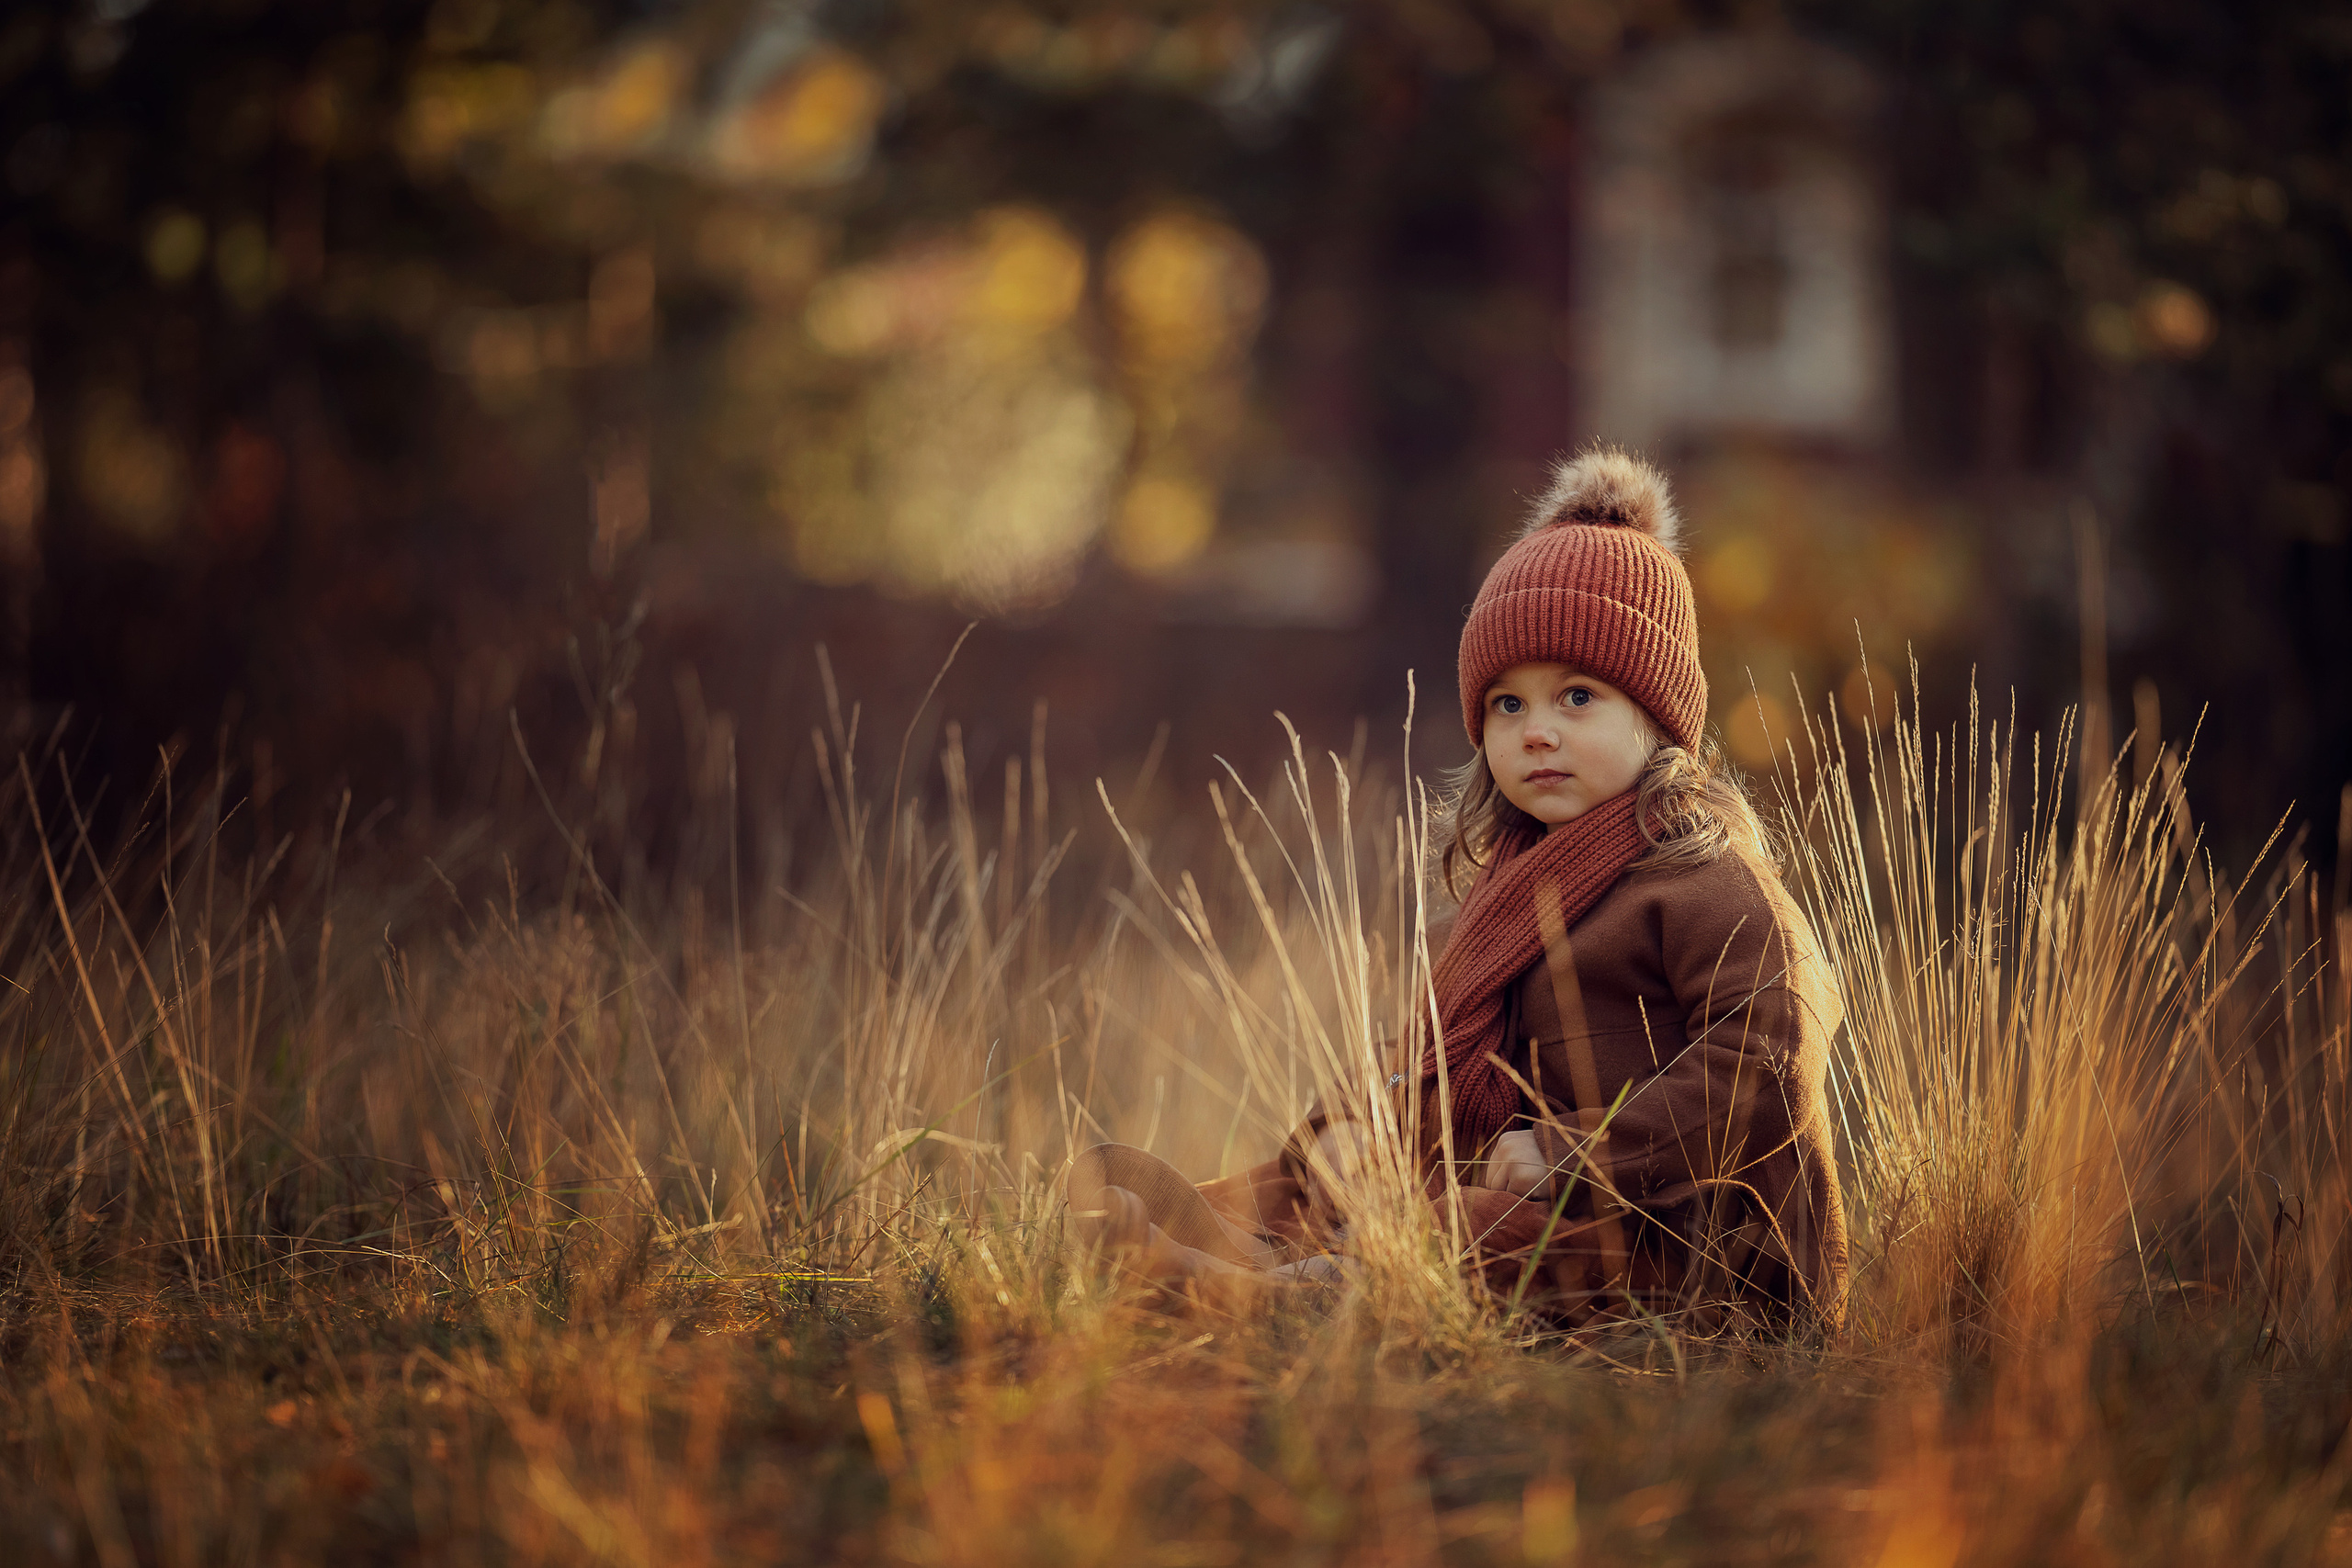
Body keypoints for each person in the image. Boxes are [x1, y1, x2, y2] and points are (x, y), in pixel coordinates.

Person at [1069, 448, 1848, 1332]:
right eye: (1507, 706)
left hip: (1688, 1245)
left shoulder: (1705, 882)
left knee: (1462, 1231)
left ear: (1659, 712)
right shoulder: (1504, 899)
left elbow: (1769, 1071)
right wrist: (1346, 1128)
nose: (1537, 731)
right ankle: (1223, 1241)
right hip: (1546, 1208)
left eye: (1578, 696)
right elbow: (1425, 1053)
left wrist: (1570, 1153)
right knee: (1337, 1182)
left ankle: (1274, 1296)